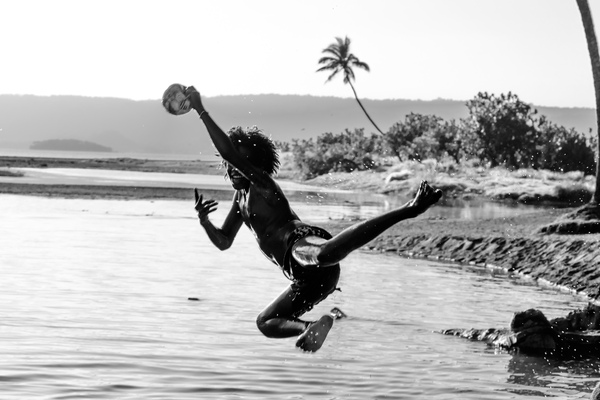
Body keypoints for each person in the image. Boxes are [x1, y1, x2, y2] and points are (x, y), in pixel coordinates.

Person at [186, 86, 442, 352]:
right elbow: (224, 241)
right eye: (228, 165)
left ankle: (409, 209)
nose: (232, 168)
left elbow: (229, 152)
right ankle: (307, 328)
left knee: (322, 255)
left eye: (239, 163)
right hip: (306, 280)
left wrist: (200, 109)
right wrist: (205, 221)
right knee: (266, 321)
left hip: (300, 244)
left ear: (254, 167)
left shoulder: (263, 185)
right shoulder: (240, 201)